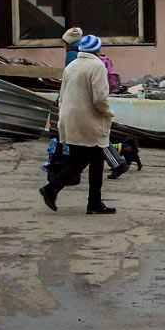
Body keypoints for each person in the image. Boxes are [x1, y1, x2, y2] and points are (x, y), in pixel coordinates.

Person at [40, 34, 117, 214]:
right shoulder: (97, 66)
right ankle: (86, 201)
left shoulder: (72, 65)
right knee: (94, 160)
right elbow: (100, 98)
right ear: (97, 49)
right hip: (88, 120)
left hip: (69, 118)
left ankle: (60, 191)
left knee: (81, 159)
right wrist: (108, 112)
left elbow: (63, 94)